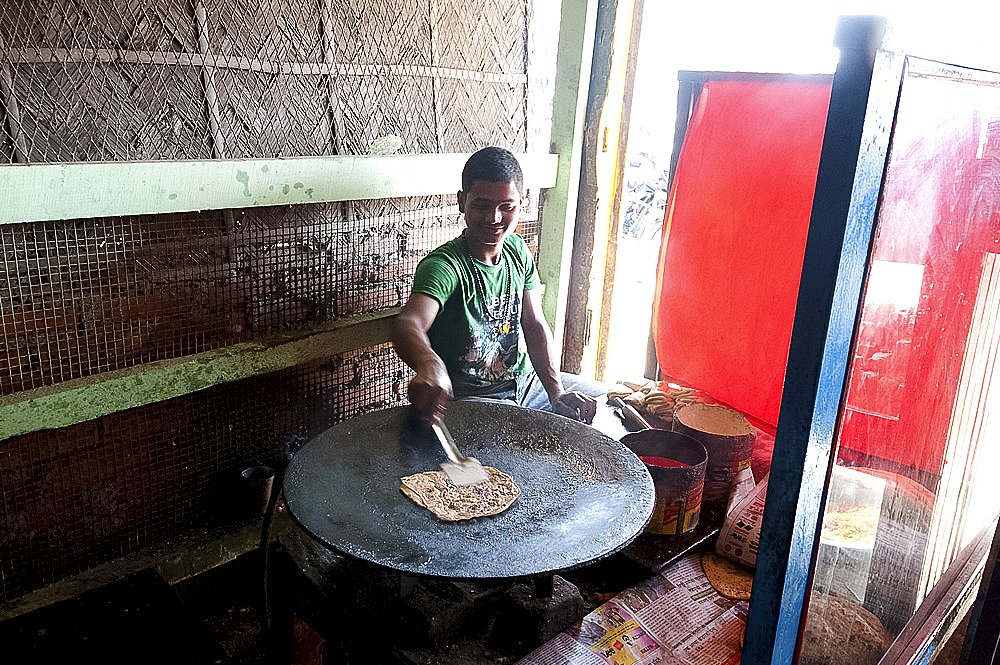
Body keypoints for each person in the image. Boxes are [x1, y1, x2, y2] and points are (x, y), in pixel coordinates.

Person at [392, 146, 604, 426]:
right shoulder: (444, 265)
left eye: (506, 207)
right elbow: (409, 323)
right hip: (475, 399)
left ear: (522, 203)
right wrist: (429, 363)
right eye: (481, 205)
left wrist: (556, 393)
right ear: (461, 201)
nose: (494, 218)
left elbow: (535, 324)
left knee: (602, 400)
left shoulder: (518, 250)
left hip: (527, 385)